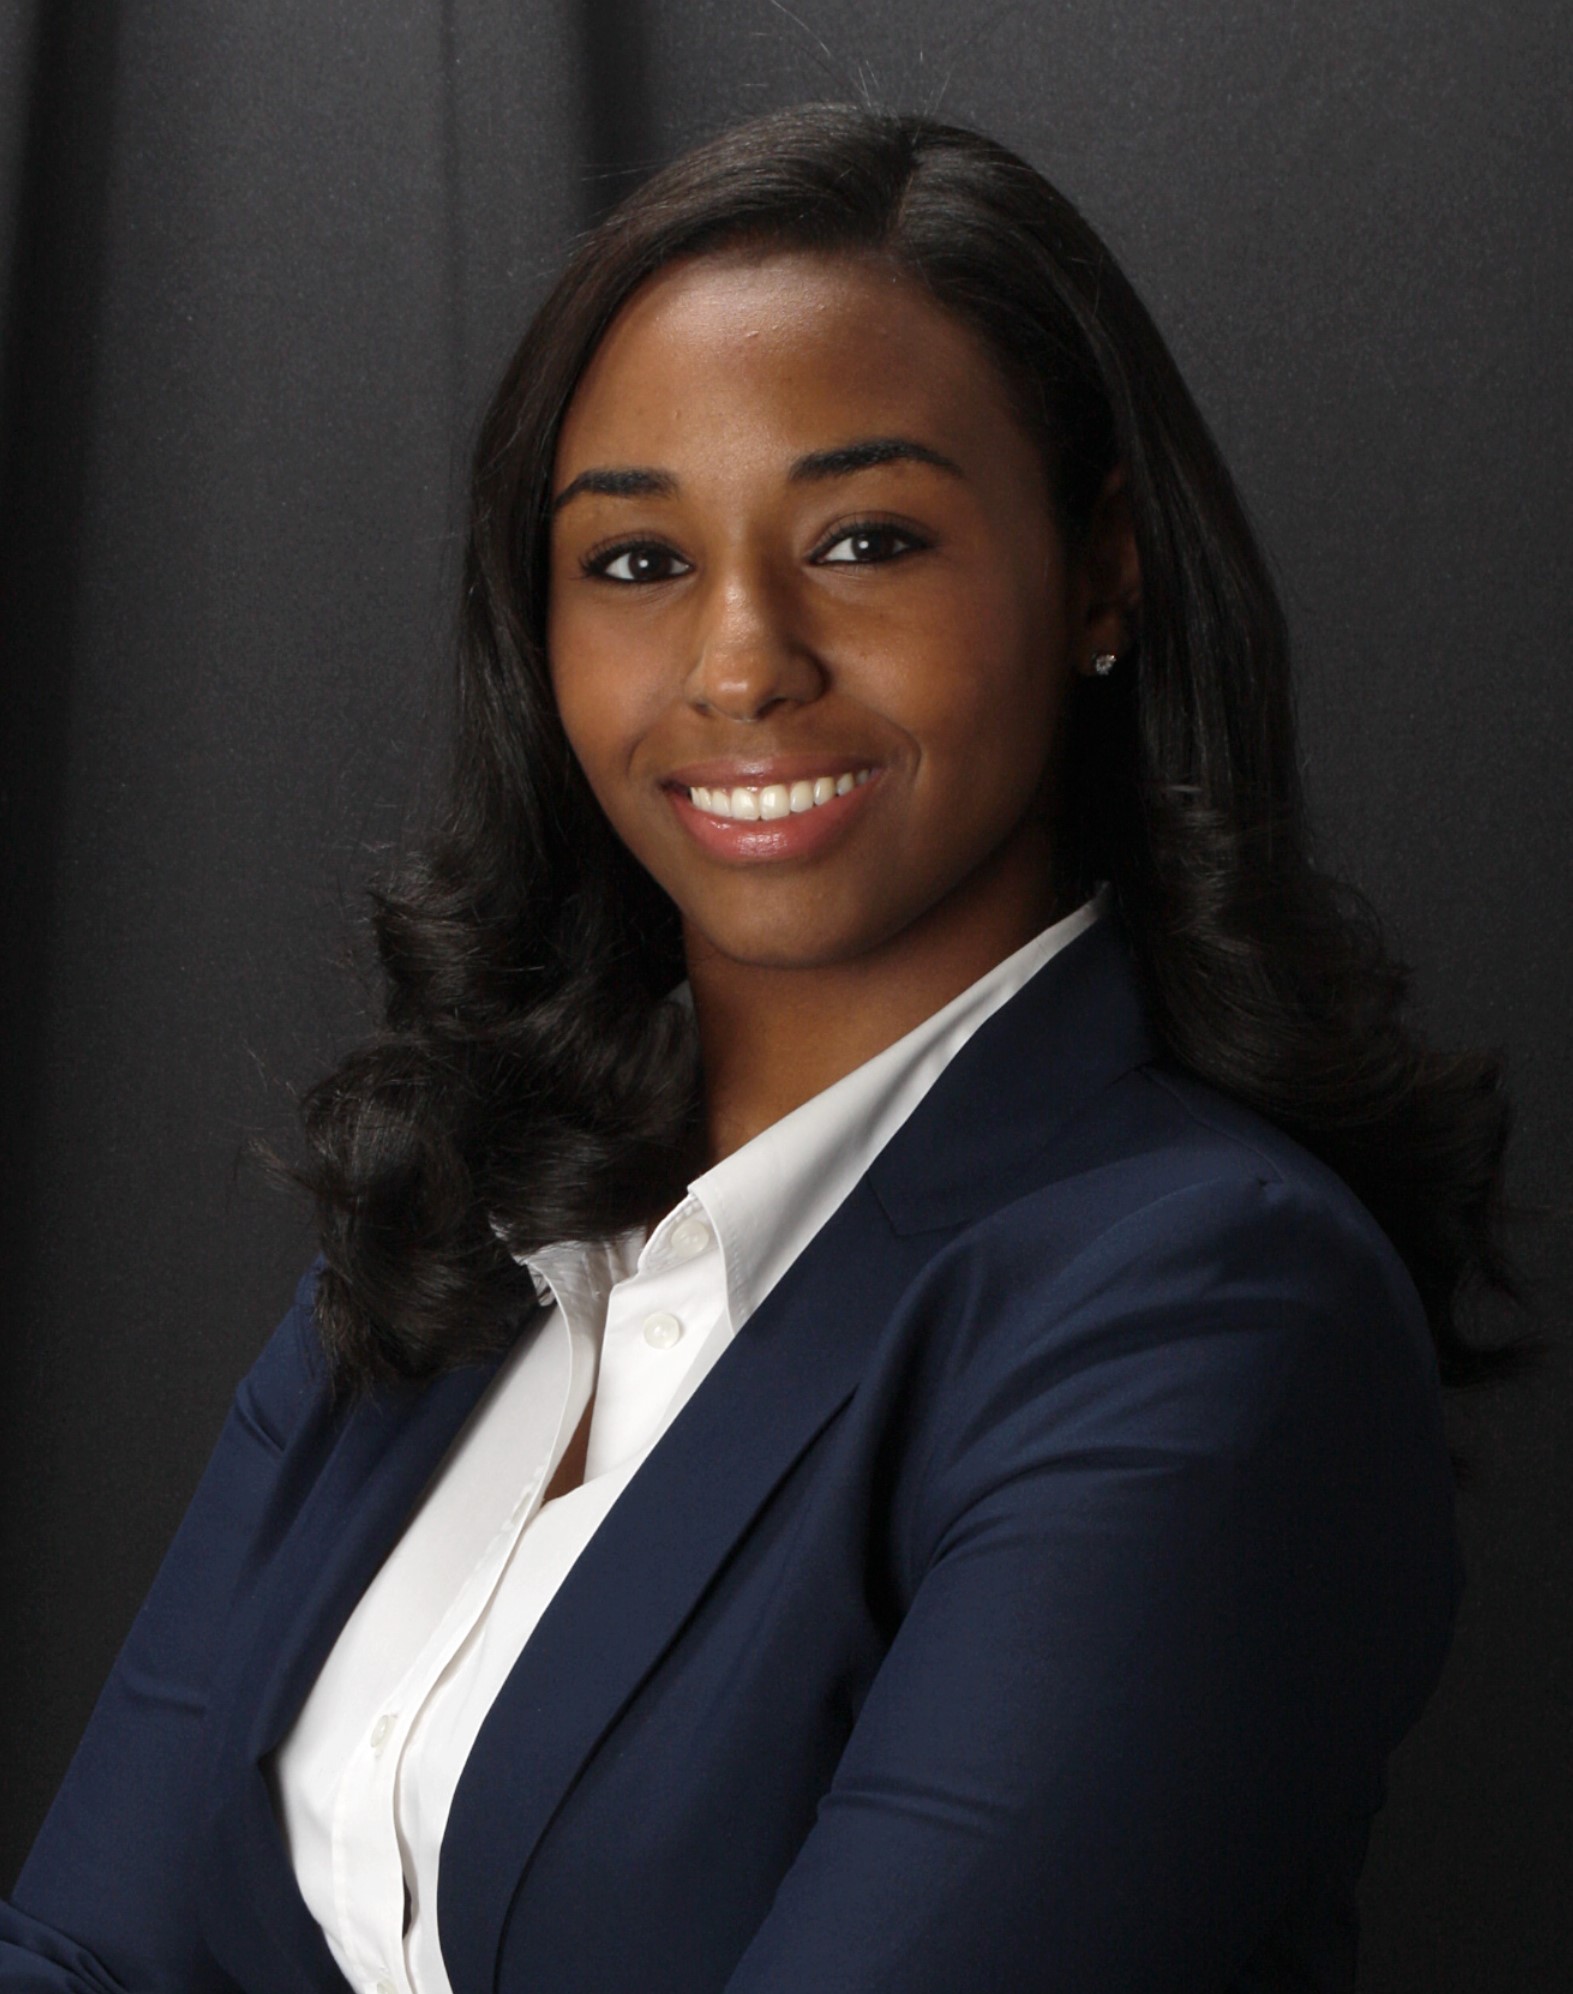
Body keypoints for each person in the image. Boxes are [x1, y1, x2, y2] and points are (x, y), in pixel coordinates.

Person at [0, 102, 1524, 1992]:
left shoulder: (1205, 1306)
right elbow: (86, 1944)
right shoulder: (463, 1225)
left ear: (1102, 573)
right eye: (637, 561)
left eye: (865, 539)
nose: (739, 662)